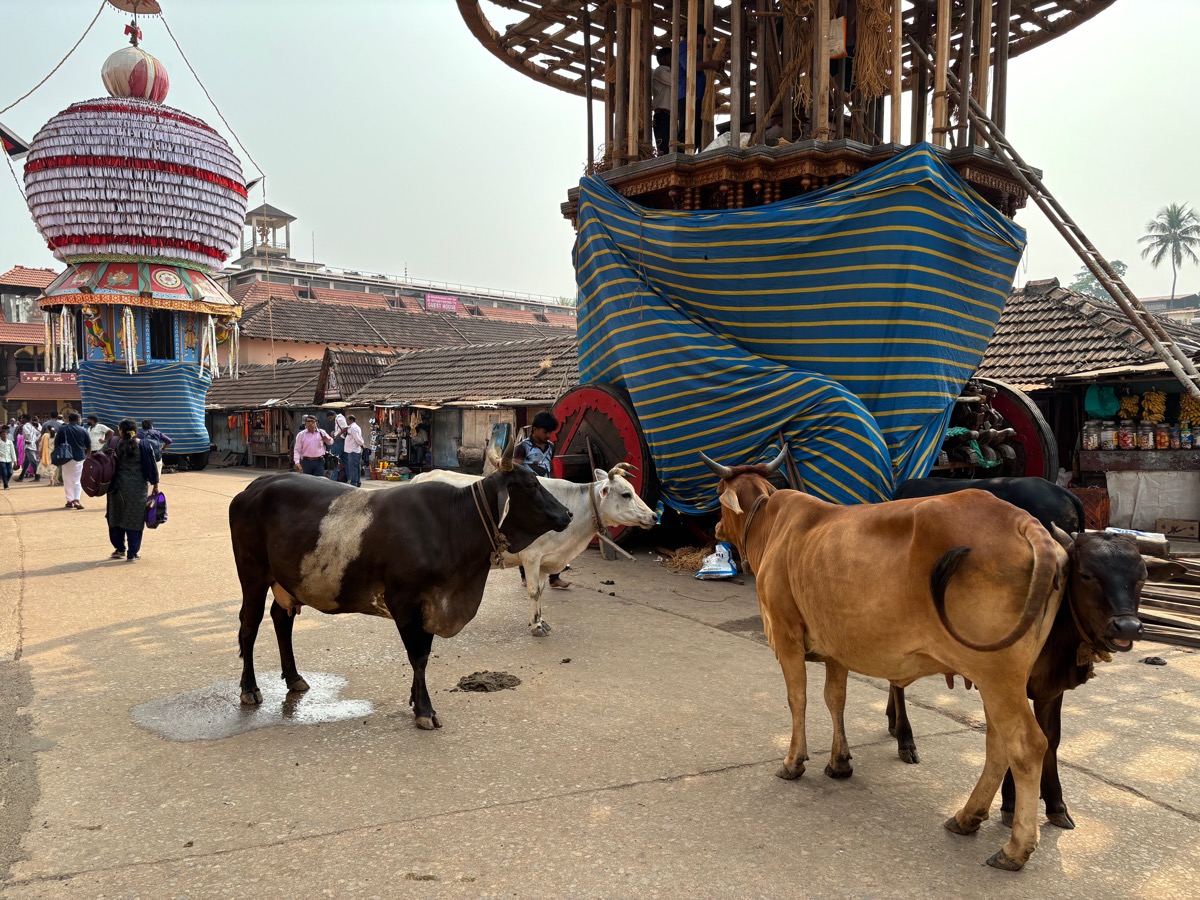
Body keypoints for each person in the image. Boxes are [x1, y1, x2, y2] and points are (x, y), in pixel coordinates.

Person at [514, 411, 570, 590]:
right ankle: (525, 576)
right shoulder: (523, 447)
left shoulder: (551, 446)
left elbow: (550, 469)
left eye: (550, 433)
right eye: (545, 432)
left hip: (545, 496)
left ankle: (554, 577)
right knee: (527, 536)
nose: (548, 436)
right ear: (535, 429)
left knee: (553, 535)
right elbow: (514, 471)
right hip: (527, 497)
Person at [105, 419, 159, 562]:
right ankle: (132, 552)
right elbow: (152, 465)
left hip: (117, 488)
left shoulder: (114, 444)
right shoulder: (144, 445)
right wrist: (155, 485)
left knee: (116, 517)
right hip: (138, 488)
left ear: (121, 430)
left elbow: (103, 460)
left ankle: (119, 549)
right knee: (134, 519)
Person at [676, 24, 724, 151]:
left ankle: (688, 155)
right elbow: (690, 67)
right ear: (695, 35)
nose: (701, 43)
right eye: (701, 38)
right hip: (688, 94)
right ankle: (681, 158)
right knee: (687, 132)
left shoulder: (692, 51)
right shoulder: (684, 46)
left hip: (696, 96)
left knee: (695, 132)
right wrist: (710, 64)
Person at [54, 412, 92, 509]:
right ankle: (76, 500)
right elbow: (88, 446)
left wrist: (58, 458)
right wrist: (87, 457)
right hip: (79, 457)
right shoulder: (83, 430)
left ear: (68, 419)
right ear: (78, 420)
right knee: (77, 480)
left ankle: (69, 500)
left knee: (67, 479)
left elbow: (57, 443)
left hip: (65, 457)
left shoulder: (63, 429)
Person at [652, 47, 673, 155]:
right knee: (665, 148)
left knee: (671, 147)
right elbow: (676, 81)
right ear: (664, 58)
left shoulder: (667, 71)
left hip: (668, 116)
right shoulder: (661, 71)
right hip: (663, 116)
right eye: (671, 56)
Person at [325, 410, 348, 481]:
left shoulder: (339, 418)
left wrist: (337, 435)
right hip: (342, 441)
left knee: (334, 460)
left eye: (330, 418)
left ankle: (333, 479)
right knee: (345, 460)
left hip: (339, 441)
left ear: (333, 415)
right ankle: (349, 478)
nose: (330, 420)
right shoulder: (340, 418)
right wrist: (335, 433)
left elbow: (345, 428)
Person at [343, 414, 365, 487]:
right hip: (352, 450)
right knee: (356, 467)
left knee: (353, 468)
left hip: (353, 450)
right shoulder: (352, 427)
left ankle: (354, 484)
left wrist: (362, 444)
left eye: (347, 420)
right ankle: (357, 483)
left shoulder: (353, 428)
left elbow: (357, 439)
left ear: (351, 420)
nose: (346, 421)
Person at [17, 414, 41, 481]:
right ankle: (21, 477)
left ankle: (37, 476)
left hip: (29, 446)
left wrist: (28, 441)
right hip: (31, 446)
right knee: (26, 462)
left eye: (22, 418)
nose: (21, 420)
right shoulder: (31, 426)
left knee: (33, 462)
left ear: (25, 419)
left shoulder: (25, 426)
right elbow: (39, 433)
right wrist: (34, 440)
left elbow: (27, 434)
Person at [0, 424, 16, 490]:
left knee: (10, 472)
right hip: (1, 459)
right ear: (0, 435)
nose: (4, 436)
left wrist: (15, 461)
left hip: (9, 459)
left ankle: (6, 481)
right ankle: (6, 485)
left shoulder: (10, 442)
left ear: (7, 435)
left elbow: (12, 451)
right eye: (3, 434)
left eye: (6, 434)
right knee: (4, 472)